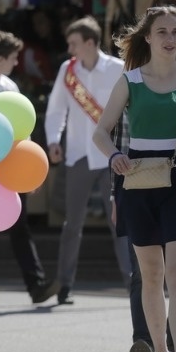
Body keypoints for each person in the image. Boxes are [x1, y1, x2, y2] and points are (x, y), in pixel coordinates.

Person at [93, 5, 176, 352]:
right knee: (150, 275)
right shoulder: (130, 80)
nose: (170, 38)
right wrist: (114, 156)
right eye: (162, 31)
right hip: (139, 178)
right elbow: (101, 132)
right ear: (147, 37)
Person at [0, 29, 59, 305]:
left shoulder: (10, 87)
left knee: (19, 224)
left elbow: (22, 129)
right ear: (1, 58)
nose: (17, 62)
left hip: (9, 165)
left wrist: (29, 169)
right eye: (14, 57)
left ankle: (36, 284)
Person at [45, 17, 131, 305]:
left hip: (112, 156)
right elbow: (56, 109)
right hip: (78, 154)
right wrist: (53, 140)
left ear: (90, 43)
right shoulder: (67, 71)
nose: (70, 49)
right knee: (72, 224)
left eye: (74, 43)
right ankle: (65, 284)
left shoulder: (118, 68)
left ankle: (133, 283)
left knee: (119, 222)